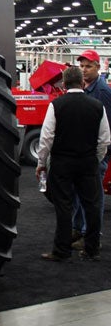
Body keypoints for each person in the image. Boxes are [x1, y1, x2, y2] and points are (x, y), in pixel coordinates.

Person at [36, 66, 110, 261]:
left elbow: (46, 139)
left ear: (64, 83)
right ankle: (92, 249)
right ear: (81, 82)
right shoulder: (97, 106)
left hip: (62, 164)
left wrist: (41, 163)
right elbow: (104, 140)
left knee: (64, 207)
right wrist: (95, 159)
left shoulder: (57, 105)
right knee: (92, 206)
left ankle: (62, 251)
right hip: (88, 163)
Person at [71, 49, 111, 250]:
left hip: (96, 152)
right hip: (84, 151)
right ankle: (78, 229)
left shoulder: (102, 91)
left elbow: (105, 128)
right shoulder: (86, 88)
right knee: (80, 191)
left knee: (93, 195)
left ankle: (91, 235)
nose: (84, 70)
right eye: (82, 66)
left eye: (88, 66)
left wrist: (98, 156)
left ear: (98, 67)